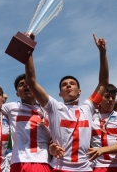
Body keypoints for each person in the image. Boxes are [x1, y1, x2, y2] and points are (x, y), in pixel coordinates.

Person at [25, 33, 109, 171]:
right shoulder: (54, 107)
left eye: (72, 83)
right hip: (60, 168)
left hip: (85, 168)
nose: (68, 86)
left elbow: (103, 83)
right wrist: (29, 49)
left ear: (80, 91)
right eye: (64, 85)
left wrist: (102, 53)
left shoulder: (88, 108)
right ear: (60, 93)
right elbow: (31, 82)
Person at [0, 73, 52, 172]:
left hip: (43, 161)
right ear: (17, 93)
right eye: (21, 84)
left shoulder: (48, 110)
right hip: (19, 162)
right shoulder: (11, 107)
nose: (25, 85)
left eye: (28, 83)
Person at [86, 84, 117, 172]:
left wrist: (102, 150)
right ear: (99, 98)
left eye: (113, 97)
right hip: (97, 167)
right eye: (107, 97)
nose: (110, 100)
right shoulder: (89, 117)